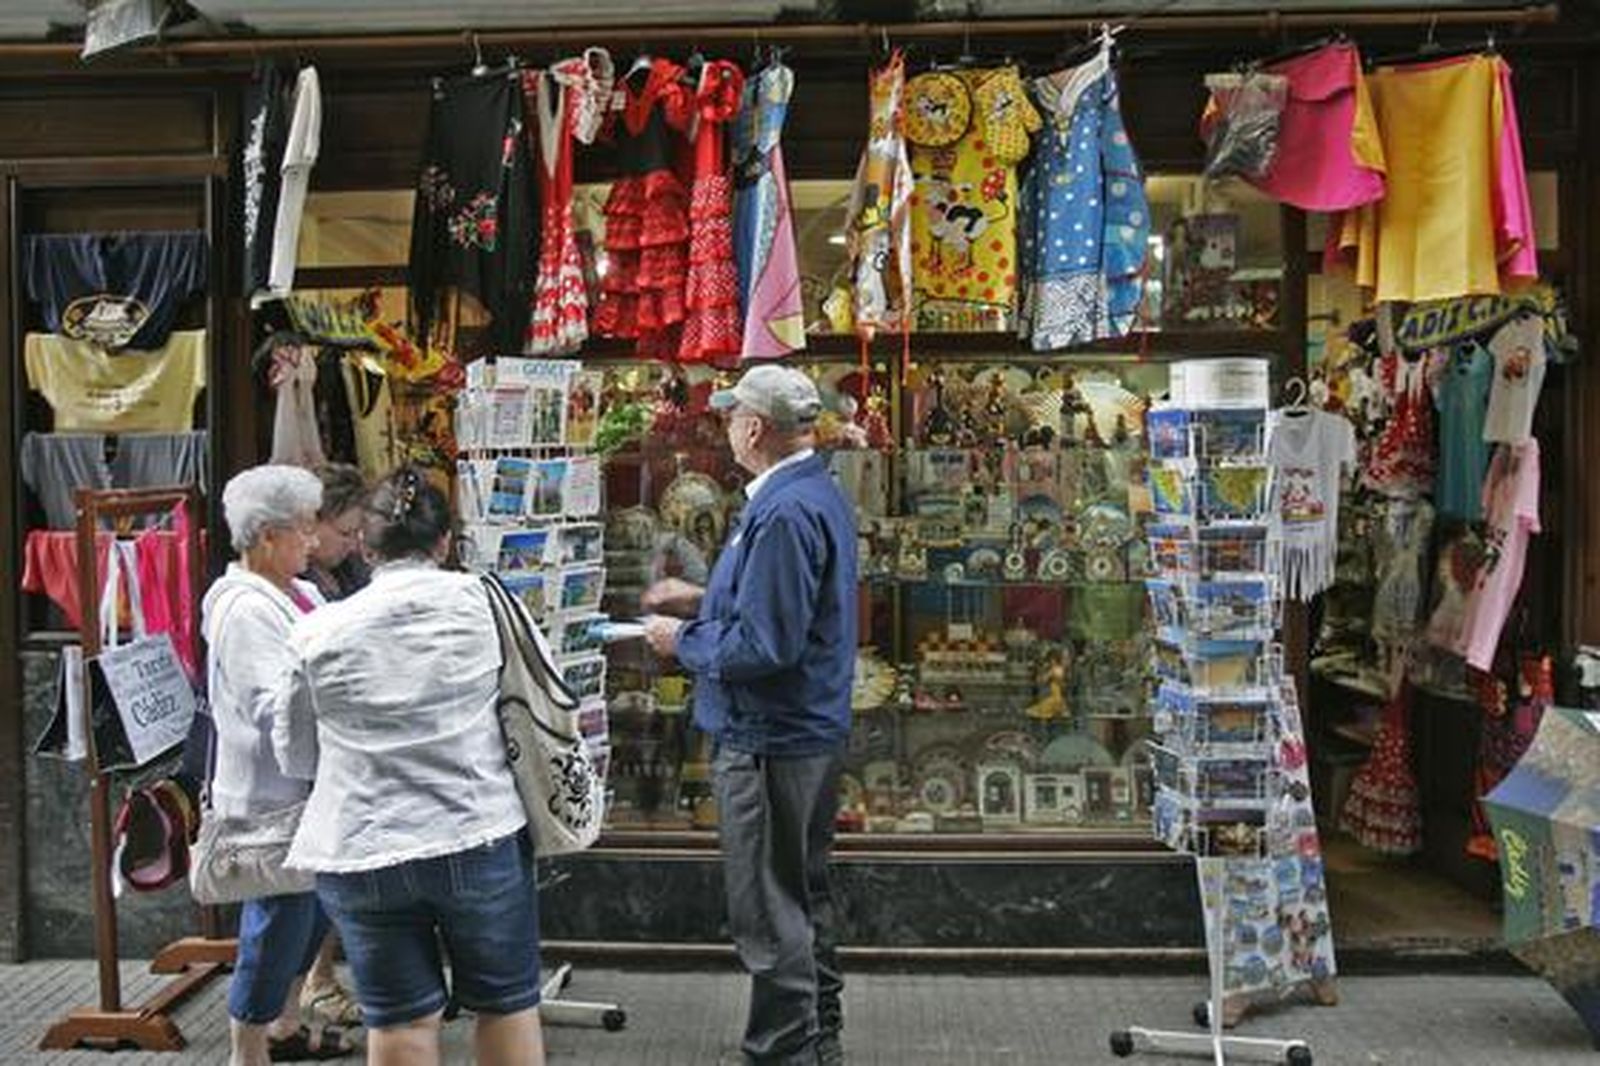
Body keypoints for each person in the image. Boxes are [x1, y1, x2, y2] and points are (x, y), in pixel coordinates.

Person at [275, 467, 545, 1066]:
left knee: (400, 1023)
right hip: (476, 831)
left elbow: (294, 752)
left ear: (367, 548)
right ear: (446, 542)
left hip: (362, 844)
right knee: (505, 1006)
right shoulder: (491, 606)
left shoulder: (317, 630)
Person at [642, 365, 858, 1066]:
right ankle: (816, 1035)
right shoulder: (806, 492)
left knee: (769, 908)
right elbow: (780, 607)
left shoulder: (784, 510)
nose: (727, 425)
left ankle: (784, 1049)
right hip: (799, 730)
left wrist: (685, 641)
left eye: (733, 416)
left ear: (755, 429)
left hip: (771, 735)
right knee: (801, 891)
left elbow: (765, 642)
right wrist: (702, 599)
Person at [202, 464, 355, 1065]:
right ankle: (248, 1049)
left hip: (310, 786)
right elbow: (272, 705)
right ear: (266, 536)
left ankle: (285, 1026)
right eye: (302, 528)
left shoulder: (302, 591)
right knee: (276, 921)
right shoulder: (242, 609)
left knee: (309, 910)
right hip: (270, 793)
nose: (313, 539)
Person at [298, 462, 370, 1029]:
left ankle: (318, 978)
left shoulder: (341, 573)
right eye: (344, 532)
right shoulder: (296, 586)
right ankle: (312, 983)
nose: (353, 543)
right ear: (312, 522)